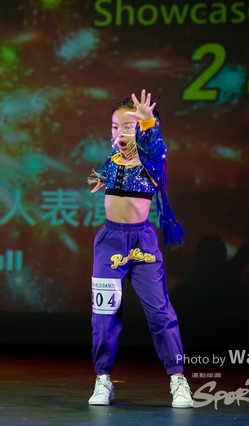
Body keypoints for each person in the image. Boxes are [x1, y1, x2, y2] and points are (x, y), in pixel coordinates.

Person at [87, 90, 191, 408]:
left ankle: (178, 380)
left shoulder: (151, 163)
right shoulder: (112, 163)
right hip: (110, 243)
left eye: (128, 127)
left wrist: (147, 122)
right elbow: (96, 177)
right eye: (115, 127)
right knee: (104, 315)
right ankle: (103, 379)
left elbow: (156, 147)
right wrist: (99, 176)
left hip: (142, 245)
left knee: (159, 312)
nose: (120, 133)